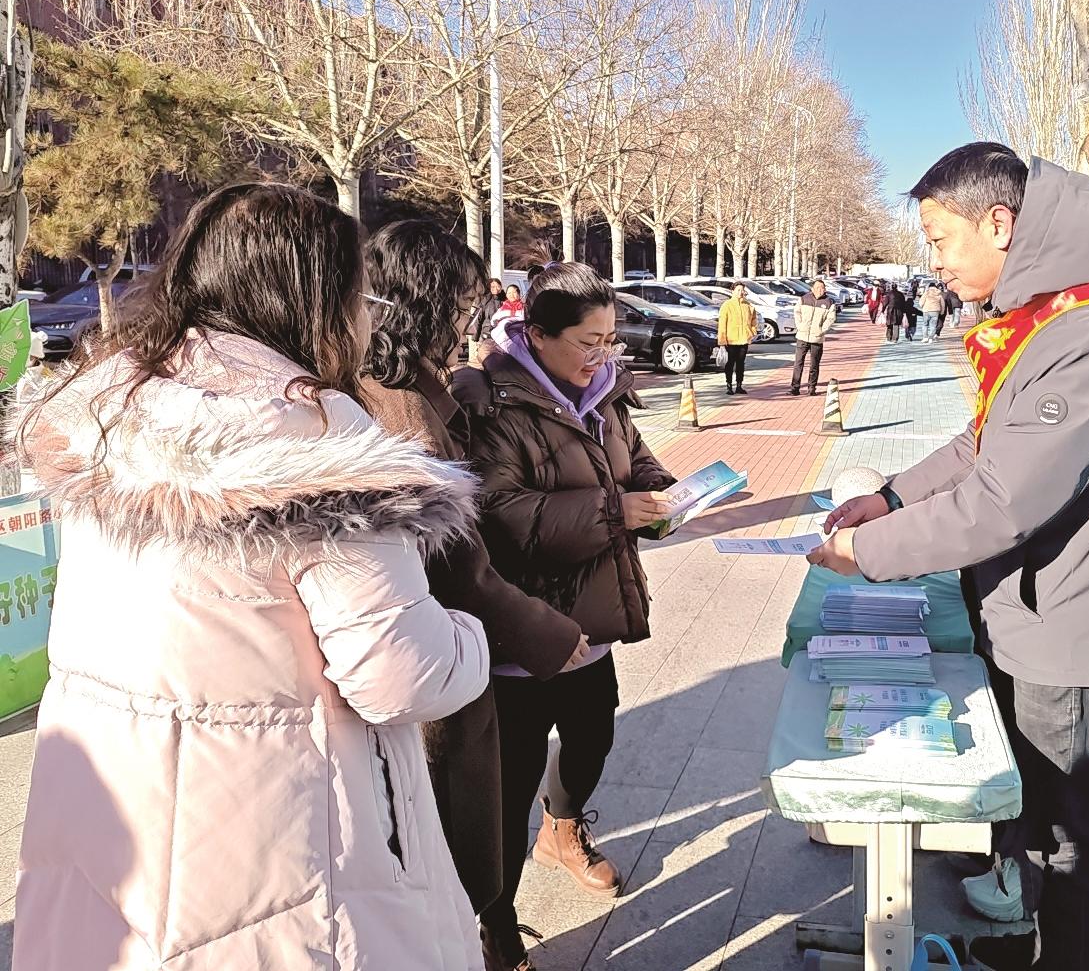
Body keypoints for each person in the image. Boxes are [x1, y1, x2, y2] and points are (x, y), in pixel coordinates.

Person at [10, 183, 491, 971]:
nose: (366, 319)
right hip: (277, 851)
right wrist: (470, 637)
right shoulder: (316, 434)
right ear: (318, 299)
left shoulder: (109, 408)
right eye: (357, 296)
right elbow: (399, 675)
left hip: (114, 823)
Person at [810, 143, 1089, 971]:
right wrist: (891, 500)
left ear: (999, 224)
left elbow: (1003, 501)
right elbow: (981, 443)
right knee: (1032, 820)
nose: (936, 262)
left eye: (940, 240)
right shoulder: (1054, 316)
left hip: (1080, 636)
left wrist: (867, 550)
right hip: (1044, 614)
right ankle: (1022, 943)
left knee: (1073, 844)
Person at [359, 221, 589, 961]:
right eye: (463, 304)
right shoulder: (405, 414)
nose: (473, 320)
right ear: (423, 303)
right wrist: (547, 633)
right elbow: (457, 565)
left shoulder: (405, 389)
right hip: (431, 663)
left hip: (429, 656)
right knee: (451, 845)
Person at [457, 263, 675, 971]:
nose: (601, 356)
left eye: (610, 340)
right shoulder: (491, 404)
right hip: (522, 634)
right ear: (537, 334)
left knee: (592, 740)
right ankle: (496, 931)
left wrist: (666, 497)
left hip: (592, 623)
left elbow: (637, 463)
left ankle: (563, 832)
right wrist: (615, 511)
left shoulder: (608, 394)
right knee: (508, 787)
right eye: (588, 341)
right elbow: (500, 516)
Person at [790, 278, 838, 396]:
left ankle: (812, 388)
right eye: (817, 288)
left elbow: (831, 318)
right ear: (812, 289)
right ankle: (795, 388)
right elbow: (797, 312)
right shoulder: (804, 299)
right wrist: (799, 325)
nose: (819, 290)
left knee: (814, 364)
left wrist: (822, 330)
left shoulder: (829, 302)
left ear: (825, 289)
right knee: (798, 363)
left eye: (822, 288)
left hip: (817, 338)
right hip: (802, 336)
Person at [717, 282, 758, 394]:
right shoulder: (727, 305)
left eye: (742, 290)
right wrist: (722, 340)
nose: (740, 292)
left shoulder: (748, 305)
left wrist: (752, 331)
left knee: (740, 363)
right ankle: (729, 385)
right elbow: (722, 324)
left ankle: (739, 385)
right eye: (738, 290)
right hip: (731, 340)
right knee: (730, 363)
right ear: (733, 291)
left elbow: (754, 320)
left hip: (744, 339)